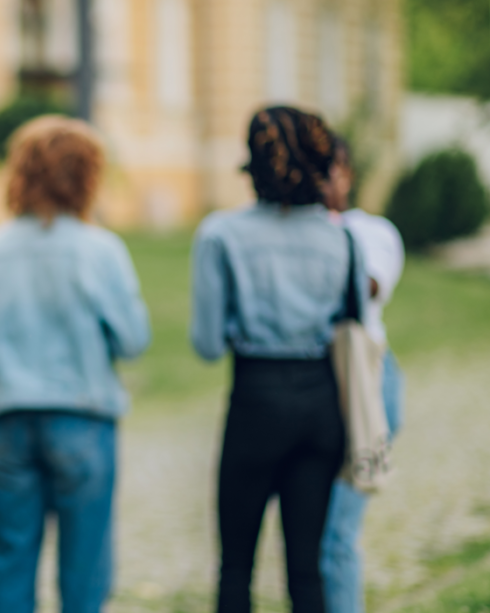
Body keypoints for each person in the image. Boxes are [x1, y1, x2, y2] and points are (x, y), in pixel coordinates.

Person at [0, 116, 151, 613]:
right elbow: (133, 339)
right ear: (88, 177)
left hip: (11, 420)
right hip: (83, 416)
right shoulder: (100, 250)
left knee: (12, 558)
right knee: (86, 568)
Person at [190, 107, 368, 613]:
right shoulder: (342, 236)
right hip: (322, 406)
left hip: (256, 401)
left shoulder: (220, 234)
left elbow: (206, 344)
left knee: (236, 567)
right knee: (307, 570)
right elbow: (353, 319)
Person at [319, 137, 405, 613]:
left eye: (327, 172)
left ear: (346, 175)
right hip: (318, 391)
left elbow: (365, 287)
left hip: (366, 385)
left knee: (336, 534)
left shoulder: (369, 232)